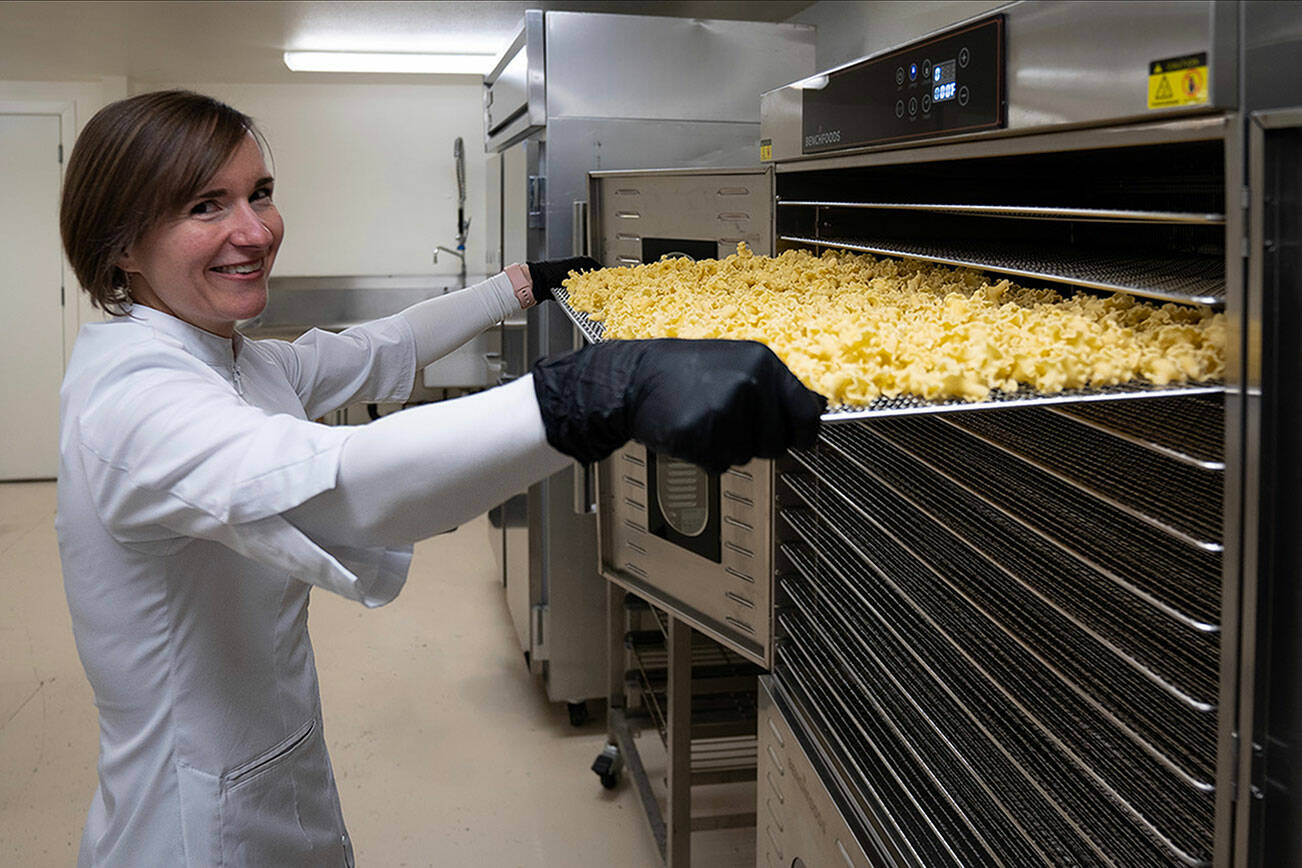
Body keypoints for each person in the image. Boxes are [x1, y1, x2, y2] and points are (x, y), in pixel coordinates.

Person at [56, 90, 823, 867]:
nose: (254, 232)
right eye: (204, 206)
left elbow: (376, 348)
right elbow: (335, 486)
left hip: (271, 763)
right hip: (190, 826)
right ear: (122, 245)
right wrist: (591, 395)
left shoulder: (228, 356)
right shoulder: (132, 401)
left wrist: (522, 284)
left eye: (260, 193)